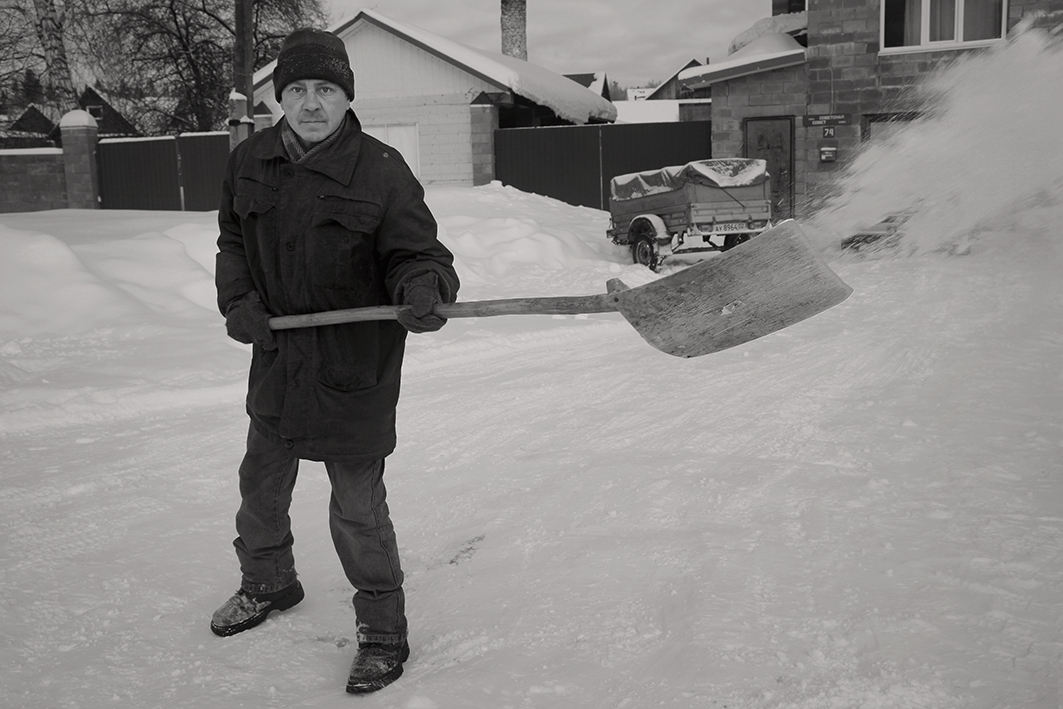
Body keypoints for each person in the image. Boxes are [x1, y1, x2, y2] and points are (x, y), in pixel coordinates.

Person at [211, 27, 459, 695]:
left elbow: (421, 255)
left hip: (354, 365)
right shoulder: (249, 162)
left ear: (346, 96)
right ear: (279, 98)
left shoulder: (380, 169)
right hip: (279, 356)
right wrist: (237, 300)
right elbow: (232, 237)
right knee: (260, 486)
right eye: (297, 90)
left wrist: (420, 290)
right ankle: (268, 581)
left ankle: (382, 630)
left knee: (355, 505)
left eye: (326, 89)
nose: (312, 103)